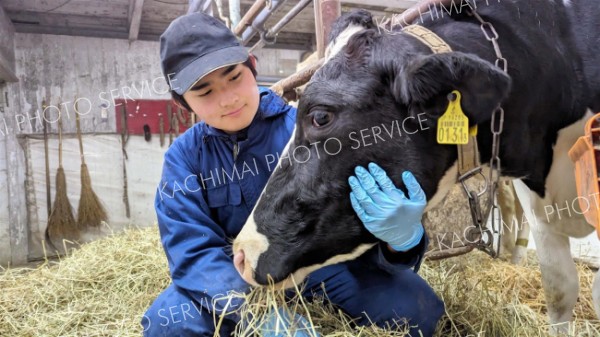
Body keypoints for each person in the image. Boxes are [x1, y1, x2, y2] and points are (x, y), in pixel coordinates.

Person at [142, 11, 444, 337]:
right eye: (204, 92)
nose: (227, 100)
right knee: (165, 323)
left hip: (325, 269)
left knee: (418, 309)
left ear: (252, 65)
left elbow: (361, 222)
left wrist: (402, 242)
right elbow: (193, 250)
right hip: (239, 276)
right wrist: (256, 311)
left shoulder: (313, 128)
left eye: (233, 77)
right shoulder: (185, 159)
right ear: (181, 102)